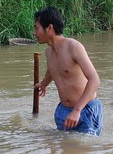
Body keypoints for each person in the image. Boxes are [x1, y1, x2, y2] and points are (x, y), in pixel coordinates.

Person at [33, 7, 102, 135]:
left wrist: (77, 110)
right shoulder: (49, 52)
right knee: (64, 150)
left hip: (85, 110)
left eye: (37, 28)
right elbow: (52, 69)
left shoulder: (73, 47)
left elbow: (95, 80)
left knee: (86, 151)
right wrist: (44, 83)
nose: (34, 33)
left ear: (49, 28)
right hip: (63, 111)